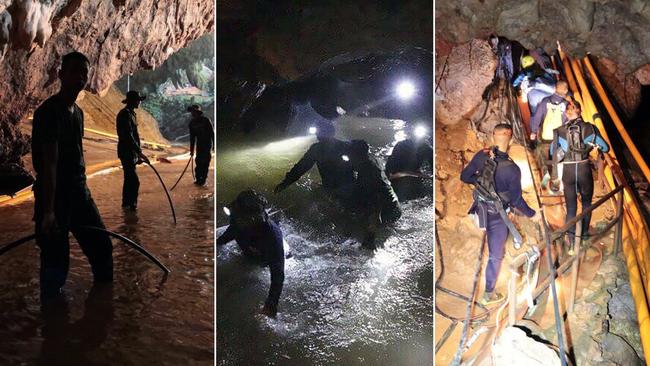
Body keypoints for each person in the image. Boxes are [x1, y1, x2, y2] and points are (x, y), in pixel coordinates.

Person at [31, 51, 113, 300]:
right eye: (74, 71)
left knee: (102, 248)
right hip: (55, 196)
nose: (80, 76)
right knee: (56, 264)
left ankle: (102, 313)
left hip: (79, 193)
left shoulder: (77, 113)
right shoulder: (48, 112)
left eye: (84, 72)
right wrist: (47, 212)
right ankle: (53, 325)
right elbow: (49, 163)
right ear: (61, 75)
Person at [460, 124, 539, 305]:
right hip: (497, 217)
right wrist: (532, 214)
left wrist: (480, 182)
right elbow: (517, 201)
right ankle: (488, 294)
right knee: (495, 255)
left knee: (493, 234)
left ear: (493, 137)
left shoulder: (481, 155)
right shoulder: (512, 169)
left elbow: (464, 177)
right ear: (510, 140)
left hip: (479, 210)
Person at [550, 101, 609, 250]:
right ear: (580, 111)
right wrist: (591, 145)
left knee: (571, 208)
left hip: (568, 172)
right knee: (586, 205)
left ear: (566, 113)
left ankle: (571, 242)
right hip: (583, 170)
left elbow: (553, 152)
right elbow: (605, 147)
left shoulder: (558, 131)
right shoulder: (590, 128)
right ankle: (582, 236)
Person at [217, 190, 285, 317]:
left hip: (263, 259)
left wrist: (270, 305)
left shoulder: (272, 236)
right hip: (249, 249)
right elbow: (225, 237)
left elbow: (278, 275)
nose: (237, 218)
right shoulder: (238, 219)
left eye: (240, 216)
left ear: (252, 218)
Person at [274, 123, 355, 200]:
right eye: (319, 133)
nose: (319, 136)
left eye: (322, 133)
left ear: (331, 134)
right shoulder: (316, 149)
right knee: (313, 197)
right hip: (330, 186)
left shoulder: (344, 147)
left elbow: (360, 166)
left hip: (347, 188)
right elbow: (301, 167)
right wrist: (285, 183)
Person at [347, 139, 402, 248]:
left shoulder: (368, 172)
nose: (348, 156)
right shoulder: (371, 159)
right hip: (394, 206)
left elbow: (376, 200)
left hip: (388, 210)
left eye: (349, 153)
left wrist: (371, 232)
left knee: (365, 238)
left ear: (356, 155)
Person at [530, 81, 571, 189]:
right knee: (557, 160)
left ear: (555, 88)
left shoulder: (545, 101)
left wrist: (534, 131)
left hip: (546, 136)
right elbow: (569, 121)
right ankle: (555, 184)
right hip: (559, 138)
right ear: (566, 91)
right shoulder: (566, 105)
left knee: (545, 159)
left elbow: (537, 116)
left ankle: (545, 182)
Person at [116, 90, 149, 210]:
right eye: (138, 100)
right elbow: (128, 136)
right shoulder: (124, 114)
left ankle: (127, 205)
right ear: (133, 101)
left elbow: (134, 135)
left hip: (131, 152)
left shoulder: (132, 114)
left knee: (129, 179)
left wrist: (137, 155)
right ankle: (131, 206)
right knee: (134, 181)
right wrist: (140, 152)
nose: (140, 102)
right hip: (126, 152)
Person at [385, 125, 433, 201]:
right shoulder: (401, 145)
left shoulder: (427, 149)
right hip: (397, 175)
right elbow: (390, 167)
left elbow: (433, 166)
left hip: (414, 175)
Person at [187, 104, 214, 185]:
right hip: (199, 145)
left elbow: (212, 133)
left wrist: (214, 146)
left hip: (207, 144)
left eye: (194, 111)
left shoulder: (206, 120)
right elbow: (192, 138)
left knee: (205, 163)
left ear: (198, 112)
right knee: (198, 162)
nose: (193, 113)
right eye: (192, 112)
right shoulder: (191, 123)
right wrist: (191, 151)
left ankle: (203, 180)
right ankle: (198, 179)